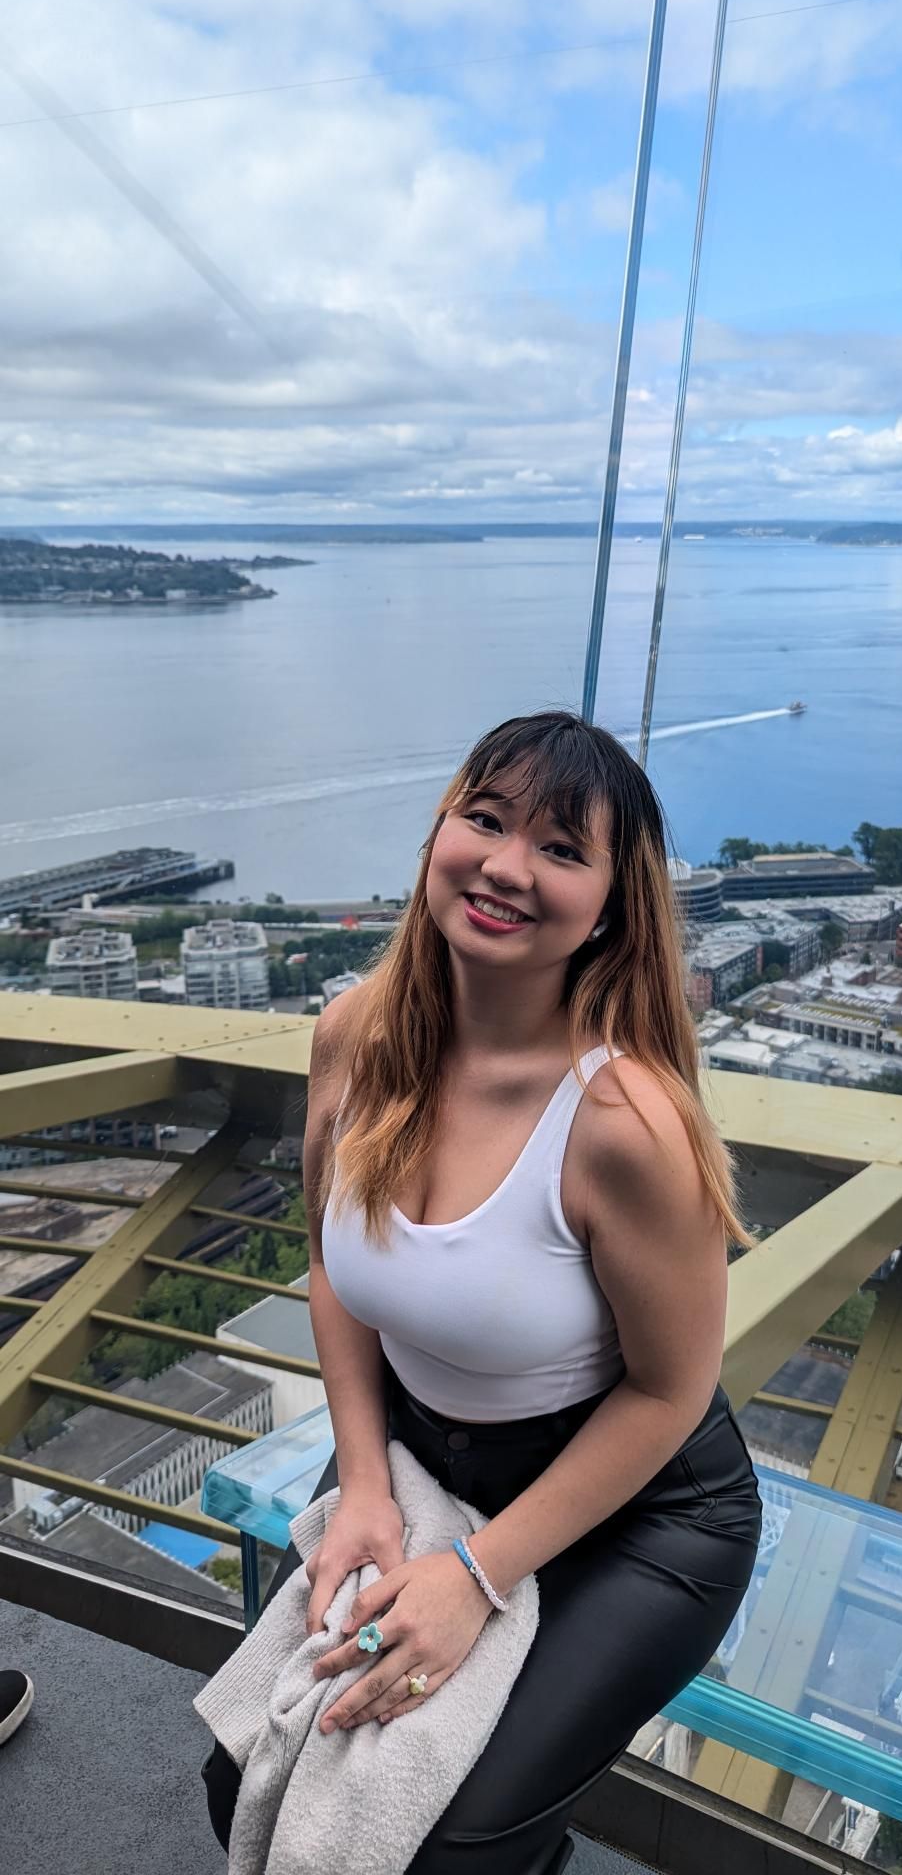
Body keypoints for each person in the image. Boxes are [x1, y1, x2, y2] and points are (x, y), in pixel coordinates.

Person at [202, 710, 761, 1873]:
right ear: (438, 836)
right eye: (486, 820)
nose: (508, 866)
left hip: (638, 1511)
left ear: (613, 903)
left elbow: (668, 1394)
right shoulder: (356, 1036)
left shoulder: (624, 1123)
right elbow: (333, 1268)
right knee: (248, 1769)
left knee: (447, 1847)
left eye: (562, 848)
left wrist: (475, 1575)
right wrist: (361, 1481)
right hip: (417, 1455)